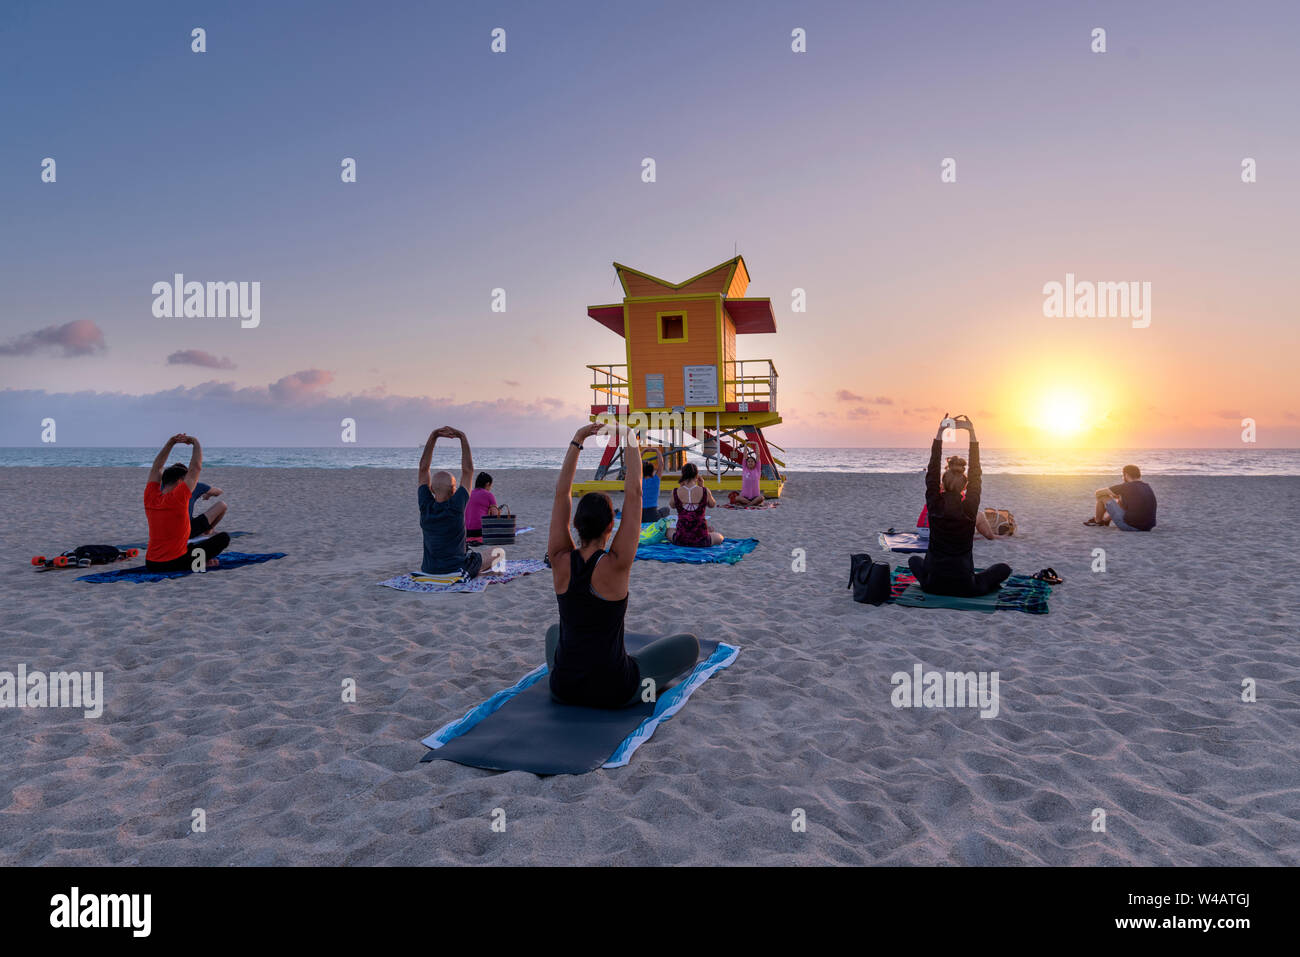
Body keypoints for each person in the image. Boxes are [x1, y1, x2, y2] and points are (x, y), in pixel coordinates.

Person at [546, 423, 700, 708]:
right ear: (610, 527)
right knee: (689, 645)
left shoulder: (558, 558)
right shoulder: (617, 563)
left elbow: (561, 495)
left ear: (576, 525)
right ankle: (639, 687)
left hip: (563, 689)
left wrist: (577, 439)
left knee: (554, 633)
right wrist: (629, 437)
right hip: (614, 689)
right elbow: (635, 495)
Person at [907, 415, 1011, 596]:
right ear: (965, 486)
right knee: (1004, 569)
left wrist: (941, 432)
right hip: (965, 586)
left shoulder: (934, 503)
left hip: (933, 584)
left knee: (913, 561)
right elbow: (976, 473)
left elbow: (932, 470)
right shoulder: (970, 507)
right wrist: (971, 433)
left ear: (942, 484)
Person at [144, 433, 230, 571]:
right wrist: (195, 442)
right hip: (176, 562)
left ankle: (198, 559)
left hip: (151, 564)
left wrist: (171, 442)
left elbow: (157, 467)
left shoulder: (150, 496)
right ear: (179, 482)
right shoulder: (179, 497)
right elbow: (195, 468)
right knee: (223, 538)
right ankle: (200, 562)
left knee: (190, 547)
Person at [417, 426, 482, 578]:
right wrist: (462, 437)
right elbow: (468, 470)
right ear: (454, 491)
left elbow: (423, 469)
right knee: (494, 553)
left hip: (428, 569)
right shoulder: (456, 506)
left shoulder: (425, 506)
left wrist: (433, 436)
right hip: (456, 569)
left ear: (431, 489)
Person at [1087, 464, 1157, 531]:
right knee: (1121, 497)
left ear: (1126, 475)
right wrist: (1119, 497)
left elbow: (1098, 493)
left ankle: (1098, 521)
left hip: (1130, 526)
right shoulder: (1147, 486)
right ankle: (1105, 521)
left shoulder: (1126, 486)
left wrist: (1107, 502)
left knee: (1102, 497)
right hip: (1147, 528)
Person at [670, 463, 724, 547]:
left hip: (681, 539)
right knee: (720, 537)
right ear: (697, 475)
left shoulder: (676, 491)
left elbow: (672, 505)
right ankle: (708, 532)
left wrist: (680, 487)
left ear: (683, 475)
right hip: (701, 539)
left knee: (668, 531)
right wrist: (702, 486)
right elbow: (712, 504)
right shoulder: (705, 491)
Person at [640, 447, 671, 524]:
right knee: (666, 509)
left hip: (640, 515)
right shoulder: (655, 480)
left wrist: (643, 451)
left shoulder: (639, 480)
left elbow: (635, 465)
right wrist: (657, 451)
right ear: (652, 470)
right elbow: (661, 464)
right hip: (653, 515)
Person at [465, 472, 499, 540]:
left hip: (467, 531)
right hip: (480, 531)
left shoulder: (469, 493)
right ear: (487, 484)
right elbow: (495, 516)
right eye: (490, 486)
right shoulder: (489, 495)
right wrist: (498, 511)